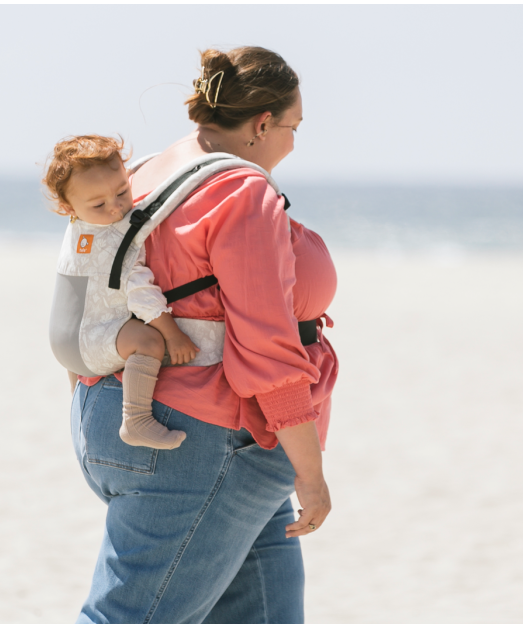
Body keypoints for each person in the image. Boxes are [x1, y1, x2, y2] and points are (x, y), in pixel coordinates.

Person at [69, 46, 339, 623]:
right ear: (262, 123)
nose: (292, 142)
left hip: (114, 413)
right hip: (208, 442)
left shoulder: (138, 175)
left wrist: (88, 392)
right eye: (293, 127)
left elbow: (88, 287)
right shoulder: (242, 192)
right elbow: (266, 350)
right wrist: (311, 474)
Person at [43, 135, 199, 449]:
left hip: (63, 346)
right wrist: (172, 334)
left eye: (122, 192)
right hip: (88, 345)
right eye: (99, 204)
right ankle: (137, 419)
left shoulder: (77, 225)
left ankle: (78, 403)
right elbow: (141, 293)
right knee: (147, 340)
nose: (116, 208)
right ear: (65, 206)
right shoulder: (120, 237)